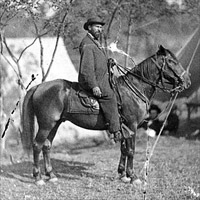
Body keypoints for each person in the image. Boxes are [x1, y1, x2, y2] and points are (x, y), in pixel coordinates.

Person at [78, 17, 121, 139]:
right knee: (109, 96)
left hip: (101, 78)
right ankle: (115, 131)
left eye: (101, 27)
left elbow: (98, 62)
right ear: (89, 27)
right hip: (92, 81)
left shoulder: (95, 42)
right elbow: (86, 70)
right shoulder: (87, 44)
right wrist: (94, 86)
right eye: (97, 27)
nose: (100, 30)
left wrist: (109, 62)